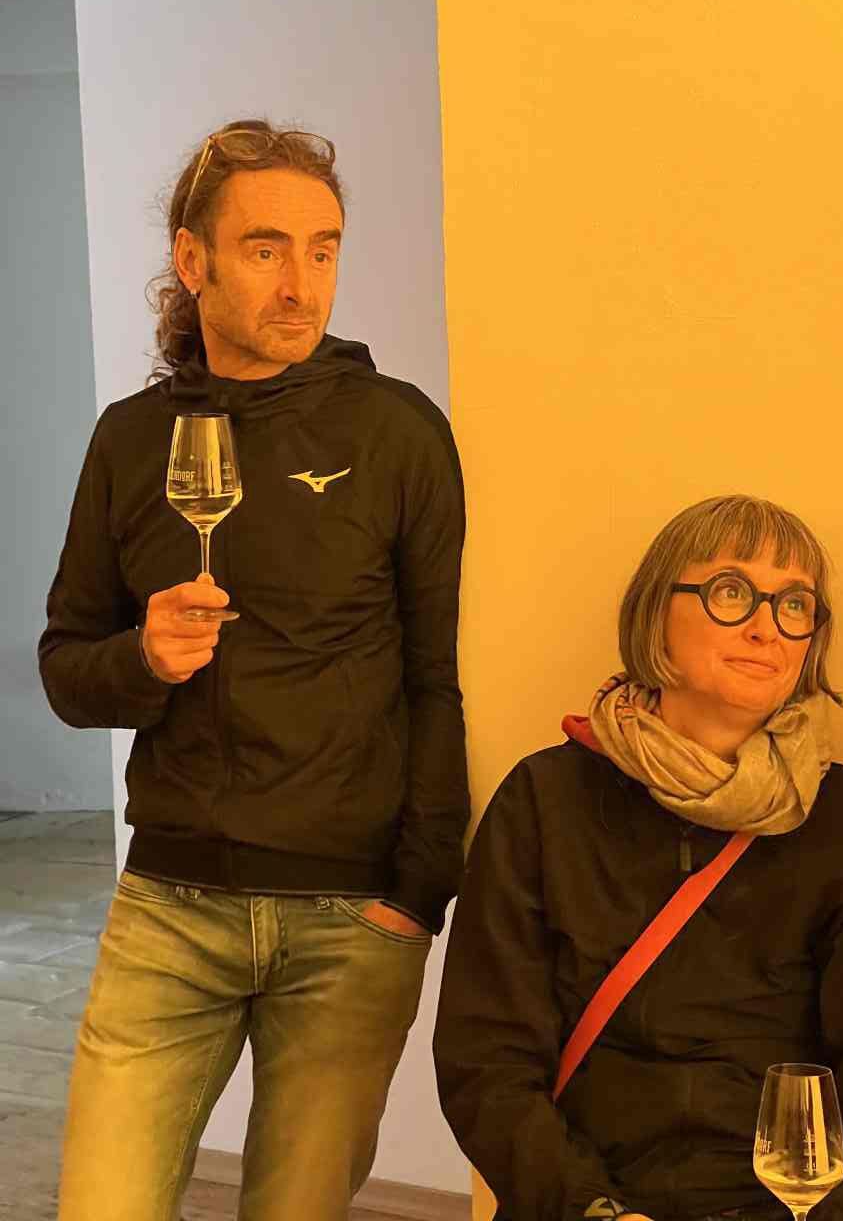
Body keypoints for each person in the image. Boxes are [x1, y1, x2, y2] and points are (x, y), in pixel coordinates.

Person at [39, 120, 468, 1221]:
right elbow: (65, 667)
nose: (301, 283)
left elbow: (434, 676)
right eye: (267, 247)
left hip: (347, 919)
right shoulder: (131, 440)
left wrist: (418, 895)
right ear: (194, 261)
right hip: (169, 907)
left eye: (323, 249)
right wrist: (143, 658)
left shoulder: (399, 432)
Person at [433, 495, 843, 1221]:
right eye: (731, 592)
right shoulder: (545, 801)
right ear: (656, 612)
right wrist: (594, 1212)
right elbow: (486, 1061)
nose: (767, 627)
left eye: (794, 604)